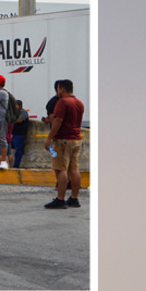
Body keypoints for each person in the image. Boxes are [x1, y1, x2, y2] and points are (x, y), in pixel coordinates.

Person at [43, 79, 84, 209]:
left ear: (62, 89)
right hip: (76, 139)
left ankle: (60, 199)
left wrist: (49, 138)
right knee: (74, 169)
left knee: (61, 169)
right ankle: (74, 198)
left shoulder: (62, 102)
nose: (58, 92)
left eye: (59, 89)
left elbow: (58, 120)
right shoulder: (79, 103)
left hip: (63, 141)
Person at [9, 99, 30, 169]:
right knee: (12, 148)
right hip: (15, 134)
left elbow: (19, 120)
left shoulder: (23, 112)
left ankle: (16, 166)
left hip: (20, 134)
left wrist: (11, 120)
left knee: (18, 151)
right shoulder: (16, 112)